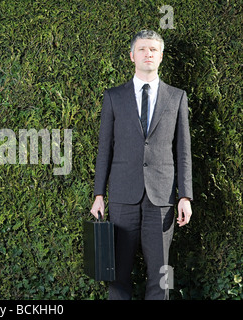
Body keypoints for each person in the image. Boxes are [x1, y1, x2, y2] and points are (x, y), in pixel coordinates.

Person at [91, 30, 193, 300]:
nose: (149, 53)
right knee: (117, 275)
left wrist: (185, 196)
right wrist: (99, 195)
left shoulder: (177, 97)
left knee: (162, 276)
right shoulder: (113, 96)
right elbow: (105, 149)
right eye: (143, 49)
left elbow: (183, 151)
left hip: (161, 201)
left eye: (154, 50)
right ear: (132, 55)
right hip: (123, 197)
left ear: (161, 57)